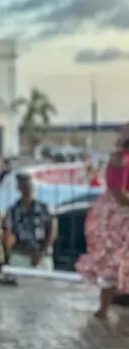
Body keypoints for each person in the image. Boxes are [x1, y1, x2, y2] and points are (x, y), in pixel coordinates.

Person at [76, 126, 129, 320]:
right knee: (115, 262)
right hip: (118, 215)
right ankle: (104, 308)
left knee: (118, 263)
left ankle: (106, 307)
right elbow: (118, 192)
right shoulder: (120, 159)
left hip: (121, 212)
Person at [0, 173, 56, 284]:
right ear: (19, 188)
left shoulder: (45, 209)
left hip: (42, 258)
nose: (28, 189)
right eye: (24, 186)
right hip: (20, 256)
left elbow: (52, 231)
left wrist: (41, 253)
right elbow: (7, 233)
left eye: (30, 186)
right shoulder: (12, 210)